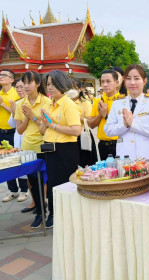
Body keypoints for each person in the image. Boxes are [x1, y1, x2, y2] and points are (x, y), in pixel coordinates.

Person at [39, 70, 81, 229]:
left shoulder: (68, 104)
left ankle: (68, 214)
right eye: (47, 84)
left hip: (66, 149)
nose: (49, 87)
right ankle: (54, 213)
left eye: (52, 84)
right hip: (50, 148)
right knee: (51, 182)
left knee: (65, 182)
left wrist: (52, 125)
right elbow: (43, 131)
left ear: (61, 84)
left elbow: (76, 130)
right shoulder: (48, 104)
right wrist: (44, 122)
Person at [14, 71, 51, 227]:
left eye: (30, 82)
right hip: (28, 147)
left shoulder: (47, 102)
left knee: (49, 180)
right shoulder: (20, 104)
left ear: (38, 84)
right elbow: (20, 130)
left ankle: (52, 213)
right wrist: (27, 118)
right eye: (24, 82)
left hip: (46, 144)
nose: (26, 86)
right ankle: (40, 211)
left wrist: (33, 116)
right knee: (33, 183)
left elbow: (48, 125)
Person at [104, 64, 149, 161]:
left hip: (147, 158)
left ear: (144, 81)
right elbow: (108, 130)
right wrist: (124, 125)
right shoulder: (117, 104)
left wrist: (133, 124)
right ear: (124, 81)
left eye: (136, 78)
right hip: (125, 158)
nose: (132, 82)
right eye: (128, 78)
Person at [88, 70, 124, 160]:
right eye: (102, 82)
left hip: (119, 143)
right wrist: (100, 115)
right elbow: (91, 125)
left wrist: (106, 116)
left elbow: (124, 125)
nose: (105, 85)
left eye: (108, 81)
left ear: (116, 82)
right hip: (102, 145)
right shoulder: (98, 101)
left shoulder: (123, 101)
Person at [5, 78, 29, 204]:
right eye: (17, 87)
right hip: (18, 137)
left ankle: (25, 191)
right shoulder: (17, 103)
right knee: (18, 163)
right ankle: (15, 190)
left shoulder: (32, 103)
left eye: (22, 86)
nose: (19, 90)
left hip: (29, 138)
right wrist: (14, 113)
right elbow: (12, 123)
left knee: (29, 166)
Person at [0, 69, 22, 202]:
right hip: (0, 130)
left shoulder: (16, 93)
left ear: (11, 79)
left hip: (13, 131)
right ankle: (13, 190)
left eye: (4, 75)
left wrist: (2, 104)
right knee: (6, 162)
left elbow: (16, 112)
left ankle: (24, 189)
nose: (1, 77)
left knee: (18, 160)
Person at [69, 79, 97, 166]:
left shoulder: (85, 103)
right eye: (69, 88)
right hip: (69, 135)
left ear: (80, 89)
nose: (71, 90)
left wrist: (76, 115)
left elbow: (89, 121)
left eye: (73, 88)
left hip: (82, 135)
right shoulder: (65, 103)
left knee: (85, 162)